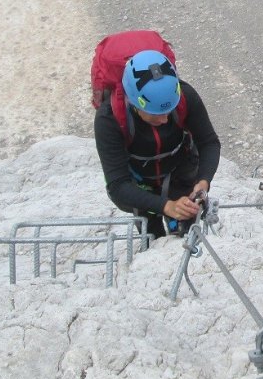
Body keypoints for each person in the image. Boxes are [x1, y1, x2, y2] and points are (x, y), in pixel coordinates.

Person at [95, 49, 221, 238]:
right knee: (151, 234)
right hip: (140, 184)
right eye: (155, 115)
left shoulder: (184, 96)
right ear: (135, 103)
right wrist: (166, 206)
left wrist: (203, 182)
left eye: (168, 111)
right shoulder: (109, 119)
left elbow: (209, 142)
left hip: (180, 171)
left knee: (186, 231)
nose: (164, 120)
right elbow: (118, 184)